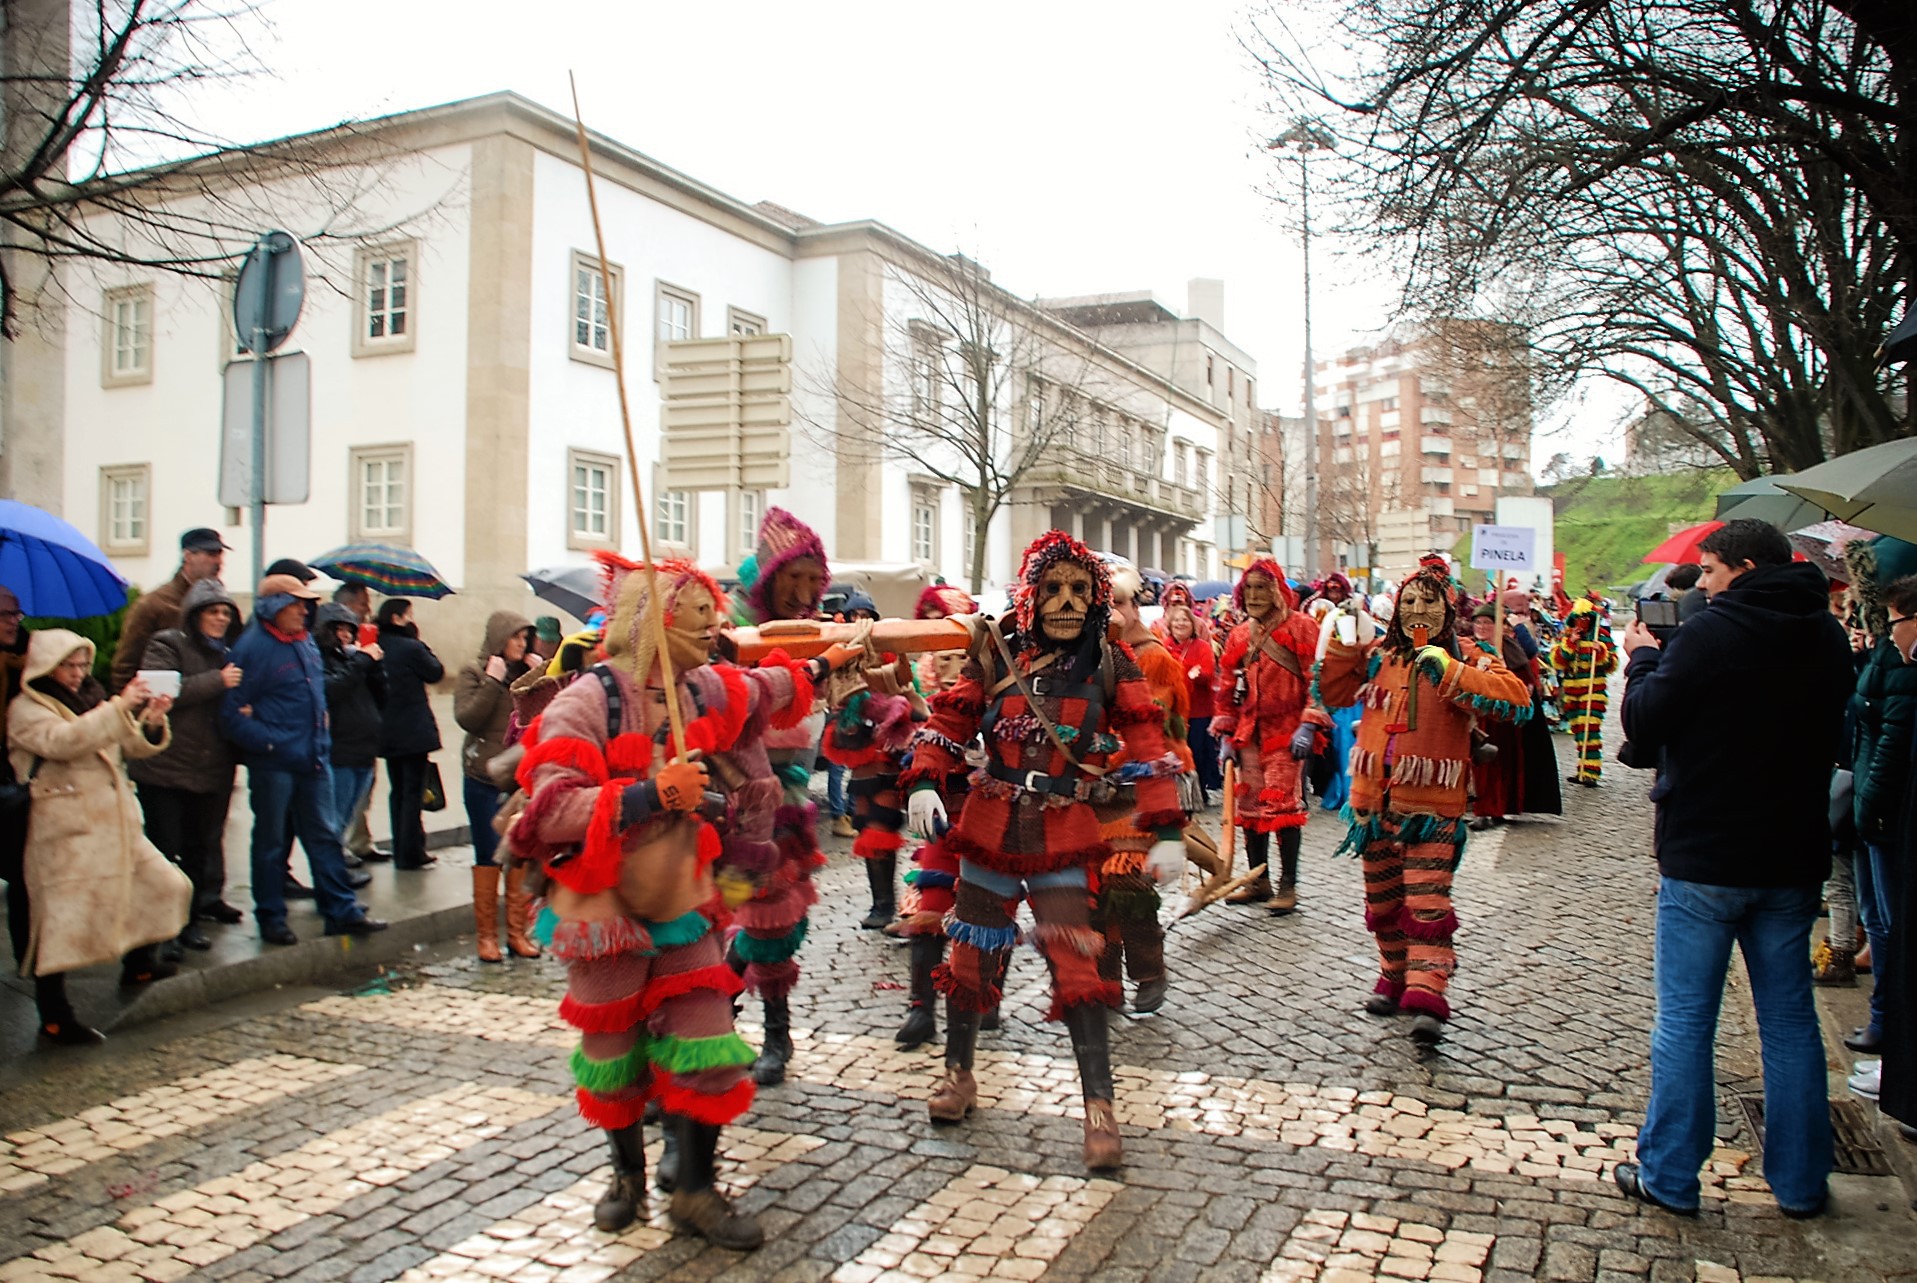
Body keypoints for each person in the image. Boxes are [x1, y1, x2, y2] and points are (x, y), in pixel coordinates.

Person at [510, 555, 862, 1248]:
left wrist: (824, 665)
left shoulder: (702, 687)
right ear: (653, 620)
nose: (717, 627)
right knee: (614, 1056)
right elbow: (547, 810)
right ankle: (627, 1178)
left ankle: (696, 1191)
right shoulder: (586, 701)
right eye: (700, 617)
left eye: (715, 615)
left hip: (682, 890)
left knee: (709, 1040)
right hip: (602, 905)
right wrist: (648, 794)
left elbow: (761, 688)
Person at [903, 530, 1185, 1170]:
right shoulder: (996, 651)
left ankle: (1100, 1108)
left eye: (1079, 590)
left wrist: (1166, 826)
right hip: (990, 824)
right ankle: (958, 1073)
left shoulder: (1114, 663)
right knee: (971, 957)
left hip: (1062, 832)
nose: (1065, 601)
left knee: (1077, 964)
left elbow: (1147, 741)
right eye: (1052, 588)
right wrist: (923, 777)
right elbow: (949, 718)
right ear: (1031, 592)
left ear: (1096, 599)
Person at [1614, 518, 1851, 1219]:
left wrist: (1643, 657)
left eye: (1710, 571)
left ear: (1741, 567)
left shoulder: (1711, 634)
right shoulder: (1826, 636)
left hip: (1706, 854)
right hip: (1790, 854)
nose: (1705, 585)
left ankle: (1668, 1174)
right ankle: (1802, 1181)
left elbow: (1644, 719)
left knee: (1686, 1019)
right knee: (1788, 1021)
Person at [1315, 555, 1531, 1045]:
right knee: (1383, 901)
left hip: (1432, 808)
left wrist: (1451, 671)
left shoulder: (1469, 655)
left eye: (1429, 602)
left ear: (1448, 611)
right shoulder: (1380, 656)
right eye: (1408, 600)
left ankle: (1428, 991)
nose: (1417, 609)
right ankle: (1393, 976)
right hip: (1372, 804)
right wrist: (1346, 644)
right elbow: (1331, 689)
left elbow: (1515, 699)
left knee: (1427, 904)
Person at [10, 631, 191, 1039]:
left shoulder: (94, 698)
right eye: (67, 666)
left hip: (116, 823)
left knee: (166, 886)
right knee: (62, 923)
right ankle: (55, 1015)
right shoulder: (26, 709)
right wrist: (119, 707)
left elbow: (129, 745)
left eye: (81, 666)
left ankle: (140, 962)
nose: (77, 675)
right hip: (65, 829)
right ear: (45, 667)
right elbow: (65, 741)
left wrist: (152, 718)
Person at [726, 507, 833, 1085]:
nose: (807, 593)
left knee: (777, 921)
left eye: (815, 582)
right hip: (735, 803)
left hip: (788, 801)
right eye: (797, 580)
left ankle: (754, 1013)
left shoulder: (812, 630)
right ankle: (761, 1027)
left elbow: (833, 690)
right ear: (772, 576)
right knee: (745, 910)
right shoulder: (730, 626)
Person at [223, 574, 389, 945]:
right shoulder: (253, 648)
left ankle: (340, 909)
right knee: (269, 842)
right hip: (276, 762)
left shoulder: (304, 643)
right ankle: (271, 916)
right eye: (296, 603)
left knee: (325, 837)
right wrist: (268, 743)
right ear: (274, 606)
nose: (303, 610)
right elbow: (232, 713)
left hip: (313, 758)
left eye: (305, 604)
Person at [128, 579, 243, 948]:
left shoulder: (230, 652)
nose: (220, 618)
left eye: (225, 612)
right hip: (165, 770)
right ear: (195, 614)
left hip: (211, 771)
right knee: (164, 852)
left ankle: (188, 923)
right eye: (213, 611)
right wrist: (218, 680)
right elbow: (160, 694)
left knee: (198, 851)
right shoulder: (167, 643)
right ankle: (158, 931)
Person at [1210, 561, 1330, 911]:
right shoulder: (1238, 635)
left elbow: (1318, 681)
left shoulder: (1303, 628)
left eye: (1261, 588)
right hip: (1248, 733)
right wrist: (1226, 735)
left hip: (1287, 732)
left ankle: (1288, 885)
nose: (1254, 596)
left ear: (1277, 591)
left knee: (1281, 807)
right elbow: (1227, 688)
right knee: (1248, 806)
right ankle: (1258, 880)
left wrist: (1309, 724)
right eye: (1248, 589)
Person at [1836, 538, 1917, 1057]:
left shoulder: (1901, 660)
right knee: (1880, 917)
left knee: (1888, 923)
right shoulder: (1886, 652)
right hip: (1873, 801)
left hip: (1881, 808)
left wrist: (1867, 807)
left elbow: (1891, 735)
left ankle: (1889, 1026)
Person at [891, 584, 980, 1048]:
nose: (949, 670)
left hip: (988, 825)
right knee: (928, 913)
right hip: (943, 831)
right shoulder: (926, 707)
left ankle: (986, 1000)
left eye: (958, 659)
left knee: (985, 916)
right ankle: (920, 1009)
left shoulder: (990, 698)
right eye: (940, 659)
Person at [453, 609, 540, 964]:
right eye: (517, 637)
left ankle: (517, 934)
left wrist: (540, 674)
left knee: (518, 854)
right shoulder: (474, 673)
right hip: (482, 779)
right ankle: (487, 938)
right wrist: (492, 681)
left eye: (526, 637)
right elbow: (467, 717)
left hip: (519, 781)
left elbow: (547, 714)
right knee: (488, 856)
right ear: (499, 638)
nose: (522, 643)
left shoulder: (526, 675)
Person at [109, 528, 229, 694]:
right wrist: (134, 710)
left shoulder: (220, 602)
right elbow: (125, 666)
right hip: (163, 708)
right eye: (211, 554)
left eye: (220, 554)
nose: (219, 562)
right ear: (188, 556)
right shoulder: (154, 605)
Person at [315, 603, 386, 871]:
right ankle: (332, 874)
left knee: (345, 816)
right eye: (338, 629)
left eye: (348, 629)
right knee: (335, 819)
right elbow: (332, 690)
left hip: (364, 749)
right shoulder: (320, 659)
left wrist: (375, 667)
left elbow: (381, 696)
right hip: (341, 751)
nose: (344, 635)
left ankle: (337, 870)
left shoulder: (350, 658)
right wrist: (361, 662)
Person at [376, 598, 445, 870]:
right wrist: (419, 643)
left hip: (387, 729)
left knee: (398, 791)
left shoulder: (377, 645)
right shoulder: (410, 647)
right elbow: (435, 671)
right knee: (412, 793)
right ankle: (411, 852)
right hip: (413, 730)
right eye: (408, 615)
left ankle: (401, 848)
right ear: (397, 618)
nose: (412, 619)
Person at [1157, 584, 1220, 806]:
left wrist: (1196, 675)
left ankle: (1199, 791)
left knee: (1199, 751)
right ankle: (1177, 794)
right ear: (1170, 625)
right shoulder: (1164, 646)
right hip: (1174, 709)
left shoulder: (1201, 645)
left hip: (1199, 708)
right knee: (1175, 751)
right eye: (1176, 621)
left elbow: (1208, 672)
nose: (1181, 624)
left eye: (1185, 621)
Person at [1466, 602, 1527, 829]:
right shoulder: (1470, 648)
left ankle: (1498, 808)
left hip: (1502, 719)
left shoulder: (1508, 649)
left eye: (1487, 622)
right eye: (1478, 622)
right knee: (1481, 764)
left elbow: (1523, 680)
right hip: (1478, 716)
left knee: (1499, 763)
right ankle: (1483, 809)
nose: (1482, 626)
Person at [1552, 597, 1617, 786]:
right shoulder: (1567, 635)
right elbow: (1558, 661)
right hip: (1572, 691)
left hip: (1593, 689)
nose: (1582, 623)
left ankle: (1592, 771)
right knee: (1579, 731)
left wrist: (1601, 652)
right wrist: (1570, 643)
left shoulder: (1601, 636)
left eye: (1585, 619)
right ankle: (1582, 768)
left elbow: (1611, 664)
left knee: (1589, 729)